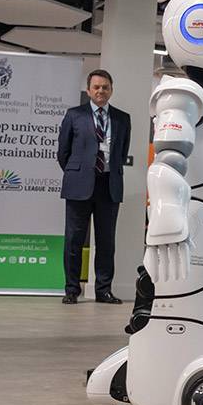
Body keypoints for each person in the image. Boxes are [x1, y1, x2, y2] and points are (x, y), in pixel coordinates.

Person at [57, 69, 130, 305]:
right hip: (79, 185)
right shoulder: (74, 115)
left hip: (109, 185)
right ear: (88, 90)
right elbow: (63, 153)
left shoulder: (122, 118)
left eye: (105, 87)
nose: (101, 91)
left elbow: (121, 153)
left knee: (106, 242)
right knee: (74, 240)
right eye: (96, 87)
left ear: (111, 90)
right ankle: (71, 290)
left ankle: (103, 290)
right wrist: (77, 172)